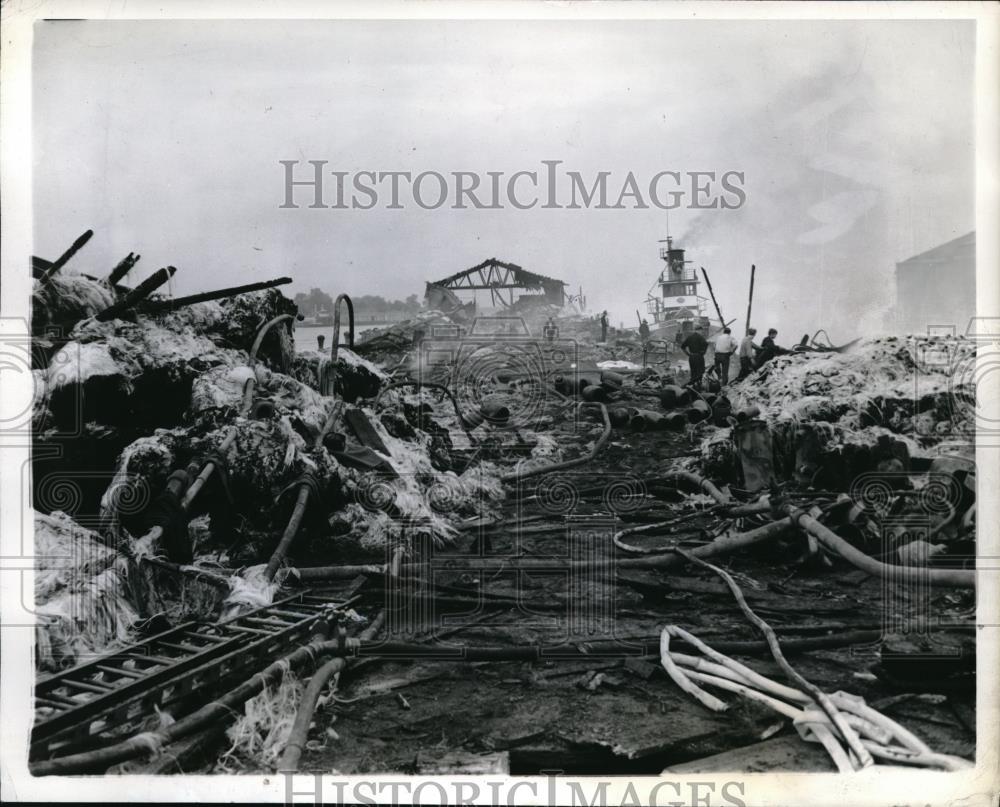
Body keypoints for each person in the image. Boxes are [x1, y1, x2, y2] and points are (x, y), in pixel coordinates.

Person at [680, 324, 709, 389]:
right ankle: (699, 387)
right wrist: (703, 352)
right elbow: (706, 344)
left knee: (693, 373)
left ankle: (693, 388)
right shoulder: (700, 337)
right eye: (701, 330)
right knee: (700, 372)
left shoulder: (690, 337)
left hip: (692, 357)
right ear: (699, 330)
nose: (702, 332)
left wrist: (688, 354)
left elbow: (682, 347)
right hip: (699, 357)